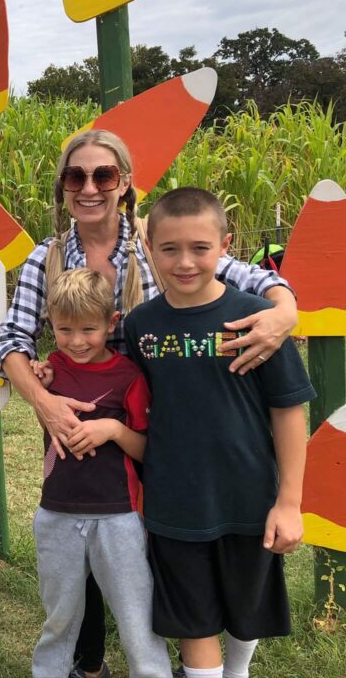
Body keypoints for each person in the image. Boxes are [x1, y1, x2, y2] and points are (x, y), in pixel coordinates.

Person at [0, 129, 299, 678]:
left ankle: (182, 646)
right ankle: (89, 662)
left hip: (163, 412)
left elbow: (251, 279)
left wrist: (283, 311)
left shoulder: (160, 241)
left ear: (125, 183)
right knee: (82, 525)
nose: (88, 188)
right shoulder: (47, 257)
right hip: (80, 408)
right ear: (62, 187)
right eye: (75, 176)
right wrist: (42, 399)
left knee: (149, 532)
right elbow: (11, 340)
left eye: (102, 176)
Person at [124, 187, 313, 678]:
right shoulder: (141, 325)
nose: (185, 262)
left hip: (248, 500)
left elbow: (288, 410)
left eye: (200, 248)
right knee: (195, 619)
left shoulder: (257, 319)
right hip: (174, 503)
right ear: (150, 249)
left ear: (225, 245)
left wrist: (289, 502)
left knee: (244, 614)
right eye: (169, 249)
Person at [29, 268, 172, 678]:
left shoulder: (129, 376)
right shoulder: (51, 369)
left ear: (111, 324)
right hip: (56, 513)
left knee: (136, 615)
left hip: (119, 515)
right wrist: (42, 378)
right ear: (50, 326)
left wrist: (110, 430)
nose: (76, 341)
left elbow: (147, 449)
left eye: (88, 329)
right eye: (64, 329)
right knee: (59, 617)